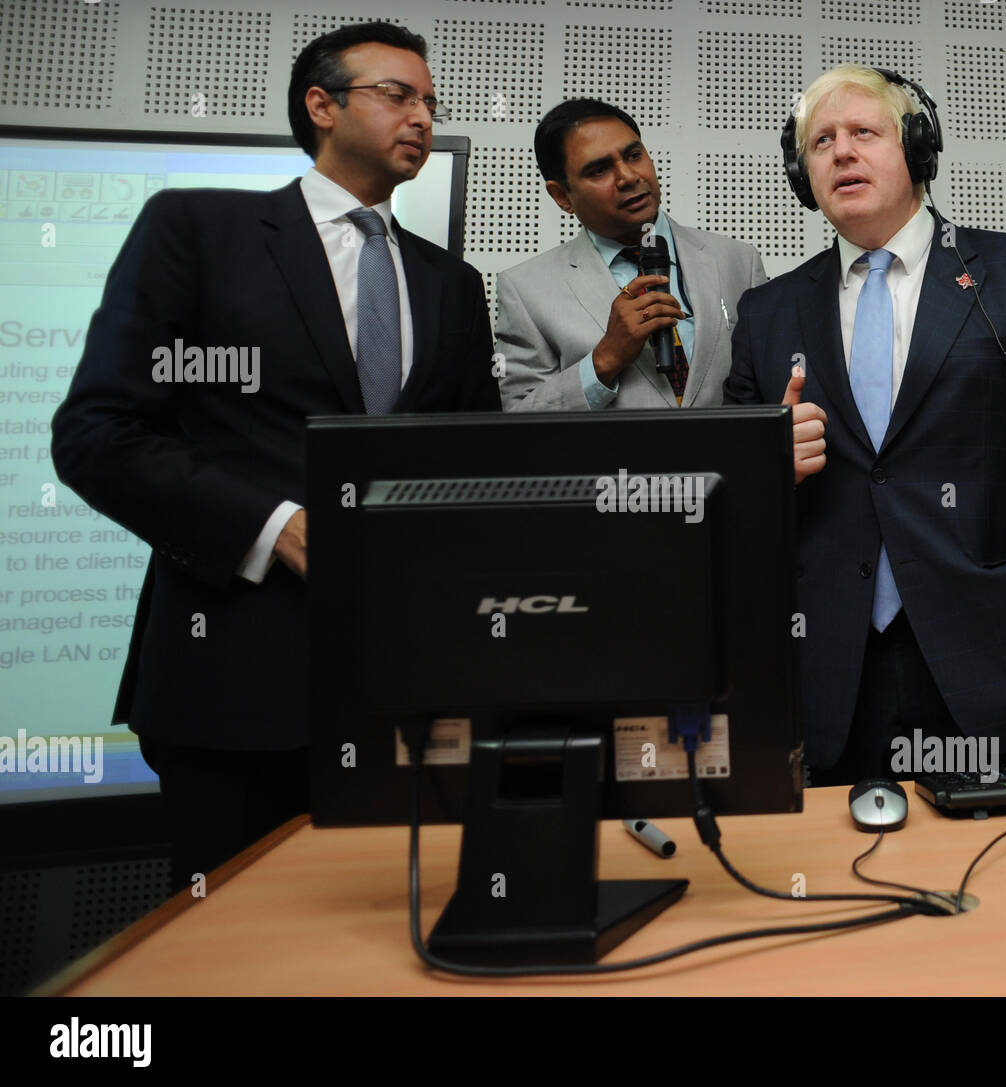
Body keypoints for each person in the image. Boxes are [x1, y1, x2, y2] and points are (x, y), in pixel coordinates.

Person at [50, 21, 500, 889]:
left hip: (411, 693)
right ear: (321, 105)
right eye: (397, 94)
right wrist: (278, 527)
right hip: (235, 684)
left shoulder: (453, 283)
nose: (422, 117)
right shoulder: (198, 230)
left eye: (431, 103)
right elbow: (98, 435)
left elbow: (467, 462)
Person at [724, 66, 1006, 784]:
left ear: (917, 147)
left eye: (863, 133)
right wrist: (765, 464)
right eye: (821, 141)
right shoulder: (766, 314)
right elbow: (734, 505)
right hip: (833, 682)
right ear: (802, 173)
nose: (842, 153)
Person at [496, 98, 767, 410]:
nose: (628, 176)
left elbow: (766, 386)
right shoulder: (525, 290)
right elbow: (518, 422)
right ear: (562, 196)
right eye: (599, 170)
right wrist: (604, 360)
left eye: (634, 155)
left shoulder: (738, 261)